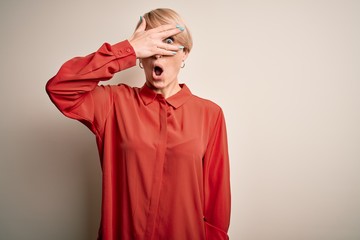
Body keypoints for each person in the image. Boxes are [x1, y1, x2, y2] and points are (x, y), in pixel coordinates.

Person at [46, 8, 231, 240]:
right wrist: (127, 50)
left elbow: (216, 206)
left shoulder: (210, 115)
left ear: (185, 53)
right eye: (150, 43)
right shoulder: (113, 103)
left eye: (168, 42)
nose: (157, 53)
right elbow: (60, 88)